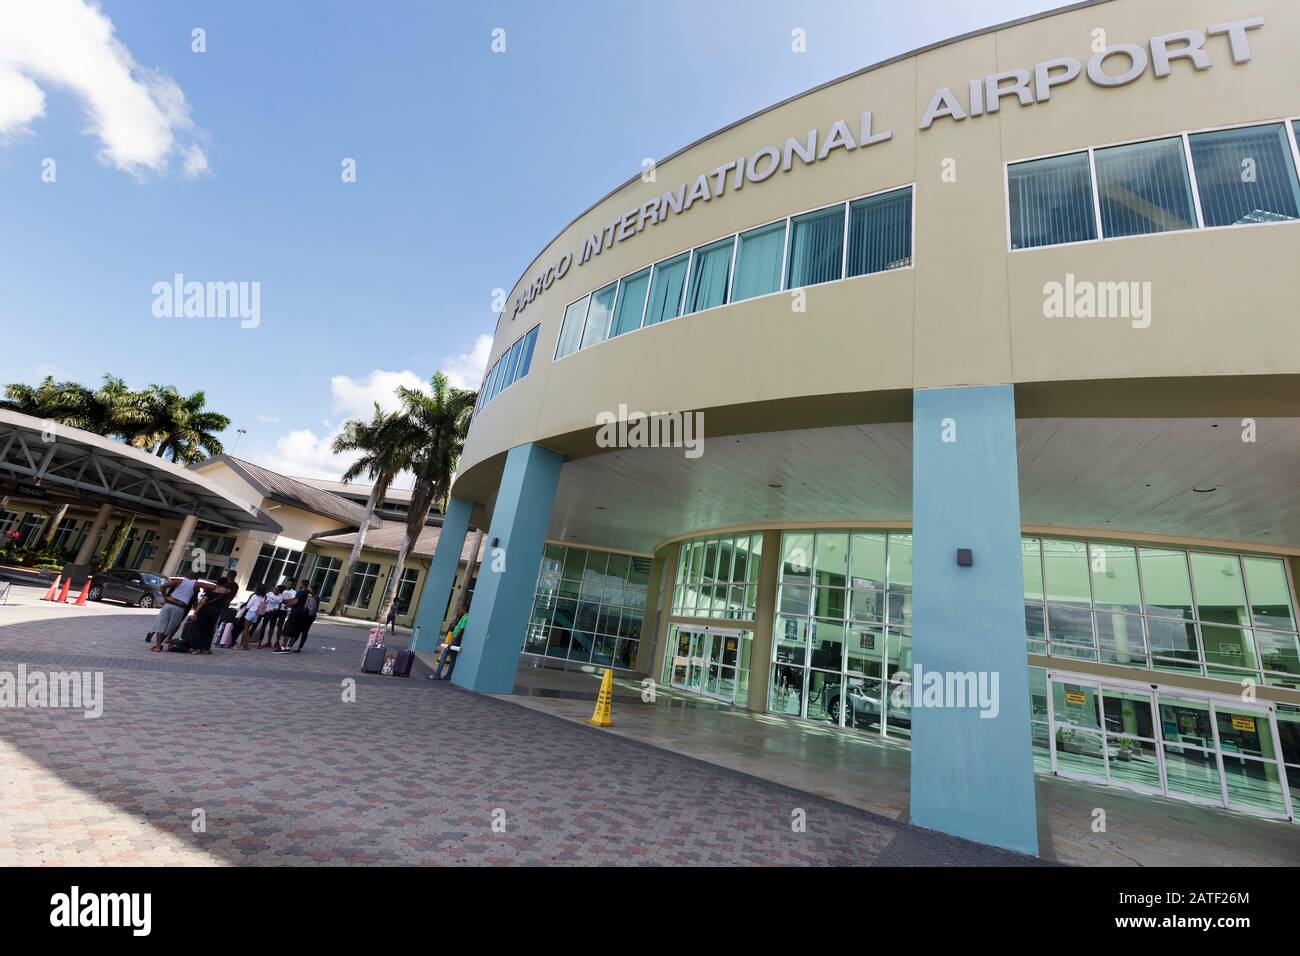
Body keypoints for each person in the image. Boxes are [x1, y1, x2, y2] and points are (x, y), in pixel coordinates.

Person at [147, 568, 212, 652]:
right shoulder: (196, 584)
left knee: (161, 624)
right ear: (197, 576)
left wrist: (165, 596)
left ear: (188, 574)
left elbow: (162, 586)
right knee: (170, 627)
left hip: (169, 603)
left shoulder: (178, 581)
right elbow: (211, 587)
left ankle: (158, 646)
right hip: (180, 607)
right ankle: (158, 645)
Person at [186, 575, 237, 654]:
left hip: (204, 610)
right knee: (210, 629)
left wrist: (195, 612)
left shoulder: (210, 591)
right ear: (225, 583)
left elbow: (201, 603)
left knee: (199, 628)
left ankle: (194, 648)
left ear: (217, 582)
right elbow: (230, 591)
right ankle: (206, 648)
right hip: (216, 612)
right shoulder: (227, 592)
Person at [279, 581, 317, 653]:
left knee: (288, 629)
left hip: (295, 612)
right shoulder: (308, 593)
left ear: (302, 584)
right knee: (296, 631)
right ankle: (288, 647)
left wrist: (287, 604)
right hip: (303, 614)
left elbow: (295, 601)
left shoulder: (300, 592)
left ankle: (283, 647)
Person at [433, 611, 469, 680]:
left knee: (445, 655)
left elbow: (461, 629)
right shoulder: (464, 617)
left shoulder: (466, 617)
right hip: (455, 639)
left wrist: (453, 641)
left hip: (455, 640)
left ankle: (438, 674)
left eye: (461, 609)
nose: (460, 610)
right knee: (453, 659)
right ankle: (448, 675)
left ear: (464, 608)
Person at [238, 583, 268, 650]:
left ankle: (242, 645)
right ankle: (246, 645)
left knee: (245, 629)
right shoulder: (264, 597)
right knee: (248, 630)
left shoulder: (254, 596)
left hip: (251, 612)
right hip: (256, 614)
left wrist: (242, 612)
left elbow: (248, 606)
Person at [256, 584, 285, 648]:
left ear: (279, 591)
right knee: (270, 626)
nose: (274, 590)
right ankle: (268, 642)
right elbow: (265, 600)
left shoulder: (281, 596)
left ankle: (277, 642)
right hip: (265, 611)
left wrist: (274, 609)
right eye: (274, 589)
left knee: (278, 627)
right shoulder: (269, 593)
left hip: (279, 612)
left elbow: (280, 605)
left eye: (276, 589)